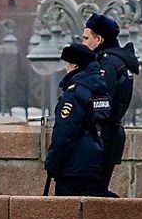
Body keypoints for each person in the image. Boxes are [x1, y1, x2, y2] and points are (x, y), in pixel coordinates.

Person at [82, 13, 140, 197]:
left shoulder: (106, 65)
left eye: (86, 38)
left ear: (98, 39)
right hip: (110, 136)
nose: (83, 43)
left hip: (101, 139)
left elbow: (100, 106)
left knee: (91, 196)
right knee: (97, 194)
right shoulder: (118, 61)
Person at [45, 42, 113, 197]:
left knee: (66, 215)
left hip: (73, 166)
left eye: (66, 63)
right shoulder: (99, 90)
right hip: (94, 161)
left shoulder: (74, 93)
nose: (65, 67)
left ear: (75, 65)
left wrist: (53, 164)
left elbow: (65, 133)